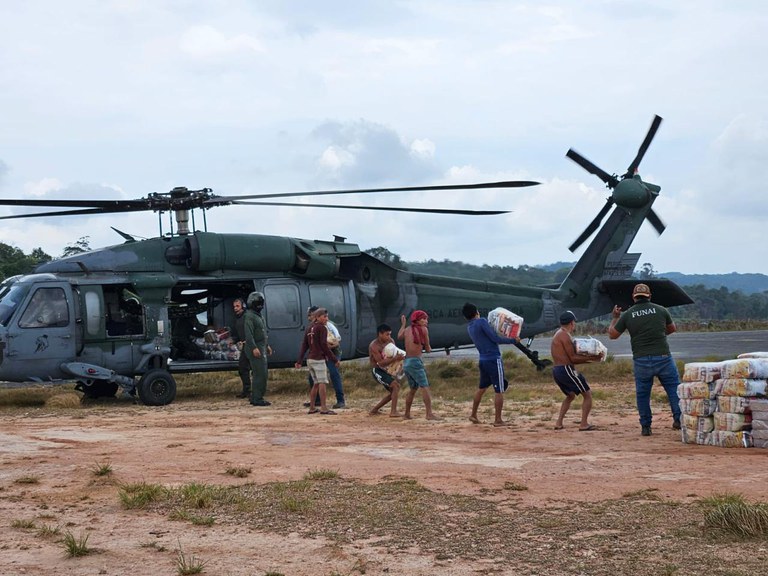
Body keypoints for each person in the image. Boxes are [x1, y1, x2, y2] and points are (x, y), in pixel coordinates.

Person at [608, 283, 682, 436]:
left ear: (634, 297)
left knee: (643, 394)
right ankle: (678, 420)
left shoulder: (628, 314)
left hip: (641, 359)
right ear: (649, 296)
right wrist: (658, 334)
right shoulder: (661, 310)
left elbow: (612, 335)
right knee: (673, 390)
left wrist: (615, 318)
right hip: (663, 357)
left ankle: (646, 427)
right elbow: (672, 329)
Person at [462, 302, 518, 427]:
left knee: (482, 388)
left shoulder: (470, 327)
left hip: (483, 359)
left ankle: (473, 414)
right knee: (499, 390)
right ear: (476, 312)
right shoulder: (481, 322)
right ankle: (498, 420)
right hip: (493, 359)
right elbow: (495, 338)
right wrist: (513, 340)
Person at [550, 310, 602, 431]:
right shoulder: (564, 335)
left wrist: (590, 358)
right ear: (572, 323)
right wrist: (593, 358)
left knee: (570, 395)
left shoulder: (559, 333)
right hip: (566, 369)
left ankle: (559, 422)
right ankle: (584, 424)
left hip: (557, 370)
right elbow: (573, 358)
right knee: (587, 394)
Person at [397, 310, 441, 421]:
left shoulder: (407, 329)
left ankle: (407, 414)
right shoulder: (424, 330)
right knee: (424, 387)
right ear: (417, 320)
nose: (426, 321)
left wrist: (403, 324)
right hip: (415, 362)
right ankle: (429, 414)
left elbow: (399, 336)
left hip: (407, 362)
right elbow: (428, 348)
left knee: (413, 388)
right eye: (424, 319)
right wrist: (428, 348)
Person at [295, 307, 339, 415]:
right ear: (318, 317)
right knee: (322, 382)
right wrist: (334, 359)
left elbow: (304, 345)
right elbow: (324, 345)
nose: (326, 319)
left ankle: (312, 407)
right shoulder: (322, 328)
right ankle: (324, 407)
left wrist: (299, 360)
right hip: (318, 359)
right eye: (324, 316)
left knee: (316, 383)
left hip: (310, 359)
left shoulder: (309, 328)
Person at [303, 306, 346, 409]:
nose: (309, 318)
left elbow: (337, 340)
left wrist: (328, 348)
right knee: (313, 378)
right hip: (322, 354)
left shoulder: (329, 325)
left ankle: (340, 400)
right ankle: (317, 400)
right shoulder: (312, 327)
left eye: (310, 315)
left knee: (333, 373)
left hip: (332, 353)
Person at [368, 323, 405, 417]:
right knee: (395, 386)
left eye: (390, 334)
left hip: (387, 369)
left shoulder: (391, 341)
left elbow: (395, 354)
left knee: (394, 391)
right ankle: (393, 412)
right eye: (387, 334)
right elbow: (380, 363)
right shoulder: (374, 346)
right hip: (377, 370)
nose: (389, 337)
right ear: (380, 334)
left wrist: (399, 361)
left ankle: (374, 410)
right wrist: (395, 358)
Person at [244, 291, 272, 407]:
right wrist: (254, 348)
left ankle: (256, 396)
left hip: (261, 346)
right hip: (255, 347)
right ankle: (257, 398)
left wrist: (267, 345)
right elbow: (249, 334)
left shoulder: (258, 316)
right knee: (260, 373)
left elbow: (262, 332)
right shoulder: (250, 316)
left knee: (262, 373)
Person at [231, 298, 251, 399]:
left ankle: (251, 391)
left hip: (251, 345)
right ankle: (247, 390)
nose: (235, 308)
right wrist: (233, 340)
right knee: (243, 368)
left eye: (237, 306)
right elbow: (238, 334)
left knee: (248, 368)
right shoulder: (238, 318)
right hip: (245, 346)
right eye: (234, 306)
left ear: (243, 306)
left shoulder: (247, 317)